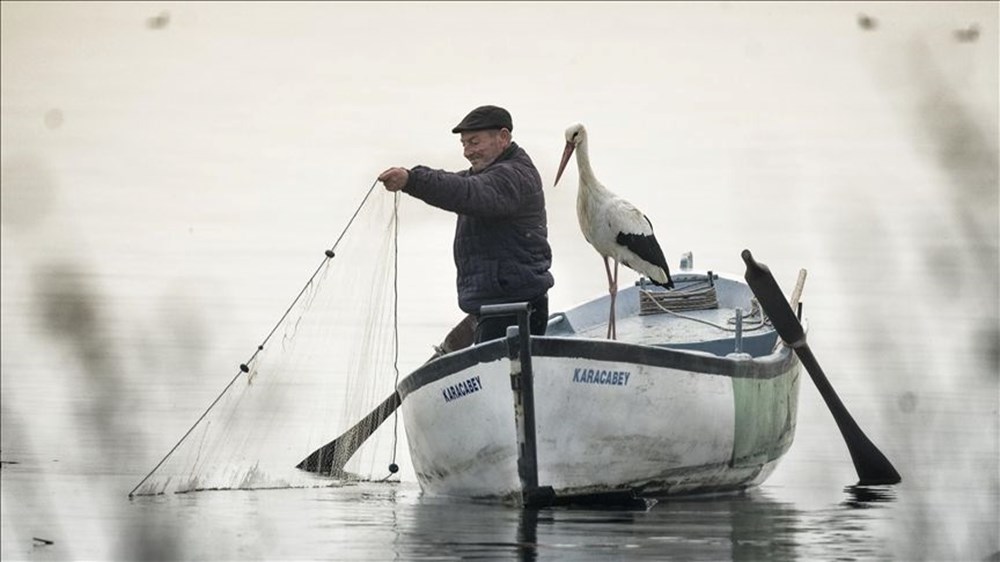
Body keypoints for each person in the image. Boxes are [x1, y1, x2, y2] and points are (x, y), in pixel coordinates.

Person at [378, 105, 554, 343]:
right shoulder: (487, 175)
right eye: (464, 144)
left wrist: (411, 180)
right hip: (496, 307)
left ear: (503, 137)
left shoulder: (512, 176)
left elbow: (464, 191)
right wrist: (412, 178)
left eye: (474, 142)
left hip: (516, 309)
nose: (467, 152)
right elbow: (454, 182)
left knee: (506, 376)